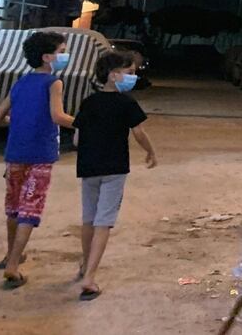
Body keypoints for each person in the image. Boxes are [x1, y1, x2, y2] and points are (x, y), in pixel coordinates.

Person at [0, 31, 74, 289]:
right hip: (40, 154)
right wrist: (86, 123)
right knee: (30, 209)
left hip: (14, 152)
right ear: (48, 57)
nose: (64, 56)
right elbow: (57, 116)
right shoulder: (53, 82)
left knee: (14, 206)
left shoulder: (20, 83)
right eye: (61, 51)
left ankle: (9, 255)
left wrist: (17, 122)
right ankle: (14, 266)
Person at [72, 51, 157, 301]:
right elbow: (139, 133)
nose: (133, 77)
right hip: (114, 169)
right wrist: (151, 152)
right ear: (113, 75)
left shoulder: (88, 102)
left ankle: (84, 265)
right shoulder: (126, 103)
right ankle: (89, 277)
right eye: (129, 73)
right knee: (103, 222)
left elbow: (77, 138)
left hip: (88, 168)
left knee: (89, 218)